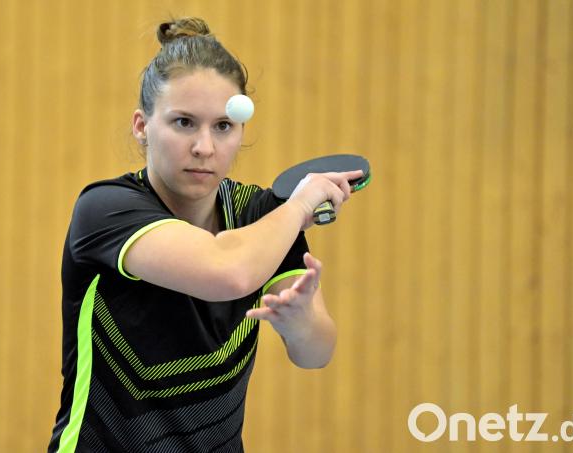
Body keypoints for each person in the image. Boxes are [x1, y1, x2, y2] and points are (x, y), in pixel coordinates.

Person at [48, 17, 362, 453]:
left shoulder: (261, 216)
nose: (204, 147)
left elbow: (316, 354)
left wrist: (299, 322)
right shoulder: (105, 210)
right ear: (142, 125)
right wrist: (299, 206)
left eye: (222, 126)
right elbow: (227, 272)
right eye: (183, 123)